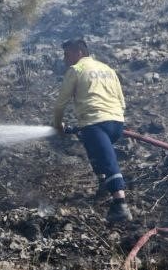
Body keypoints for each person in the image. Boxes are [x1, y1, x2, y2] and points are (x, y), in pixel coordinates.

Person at [52, 39, 132, 223]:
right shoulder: (107, 69)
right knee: (91, 142)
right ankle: (103, 183)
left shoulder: (76, 70)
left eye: (67, 54)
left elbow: (60, 104)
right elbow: (122, 101)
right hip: (116, 123)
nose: (64, 59)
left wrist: (57, 125)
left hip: (95, 123)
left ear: (79, 52)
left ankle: (120, 204)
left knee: (108, 160)